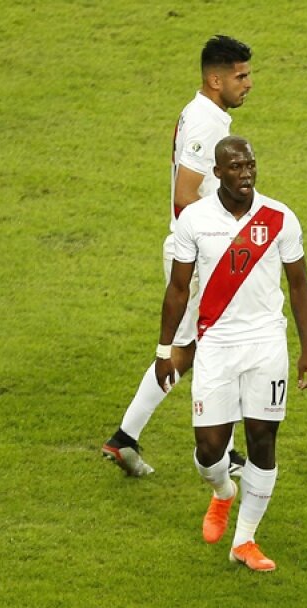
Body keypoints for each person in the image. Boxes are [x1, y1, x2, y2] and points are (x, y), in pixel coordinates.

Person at [154, 136, 307, 571]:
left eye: (251, 165)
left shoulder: (278, 217)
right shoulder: (195, 219)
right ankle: (223, 492)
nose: (246, 173)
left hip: (266, 343)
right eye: (236, 167)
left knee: (263, 438)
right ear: (217, 172)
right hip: (217, 345)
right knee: (210, 448)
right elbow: (178, 288)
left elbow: (299, 287)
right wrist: (164, 349)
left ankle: (244, 540)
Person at [103, 34, 254, 477]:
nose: (248, 84)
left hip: (204, 254)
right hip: (201, 256)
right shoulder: (207, 123)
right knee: (211, 353)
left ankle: (125, 438)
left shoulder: (205, 113)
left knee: (192, 351)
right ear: (214, 79)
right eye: (240, 76)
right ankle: (217, 453)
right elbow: (185, 197)